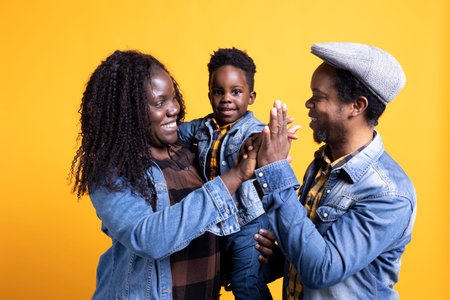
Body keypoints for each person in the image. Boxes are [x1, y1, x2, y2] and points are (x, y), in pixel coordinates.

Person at [70, 50, 262, 300]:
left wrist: (263, 251)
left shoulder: (190, 152)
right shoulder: (112, 169)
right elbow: (149, 238)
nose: (174, 109)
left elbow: (211, 233)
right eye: (160, 103)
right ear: (129, 111)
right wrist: (234, 177)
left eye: (173, 98)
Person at [252, 42, 417, 299]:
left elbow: (322, 269)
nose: (308, 103)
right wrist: (282, 251)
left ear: (357, 106)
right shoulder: (321, 164)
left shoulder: (389, 194)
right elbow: (310, 249)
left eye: (318, 97)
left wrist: (276, 170)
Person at [178, 47, 272, 299]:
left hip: (247, 221)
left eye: (236, 92)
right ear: (210, 94)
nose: (226, 98)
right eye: (218, 92)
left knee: (245, 283)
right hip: (212, 220)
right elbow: (173, 133)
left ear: (251, 97)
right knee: (212, 281)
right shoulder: (202, 127)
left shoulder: (252, 129)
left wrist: (260, 141)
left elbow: (260, 138)